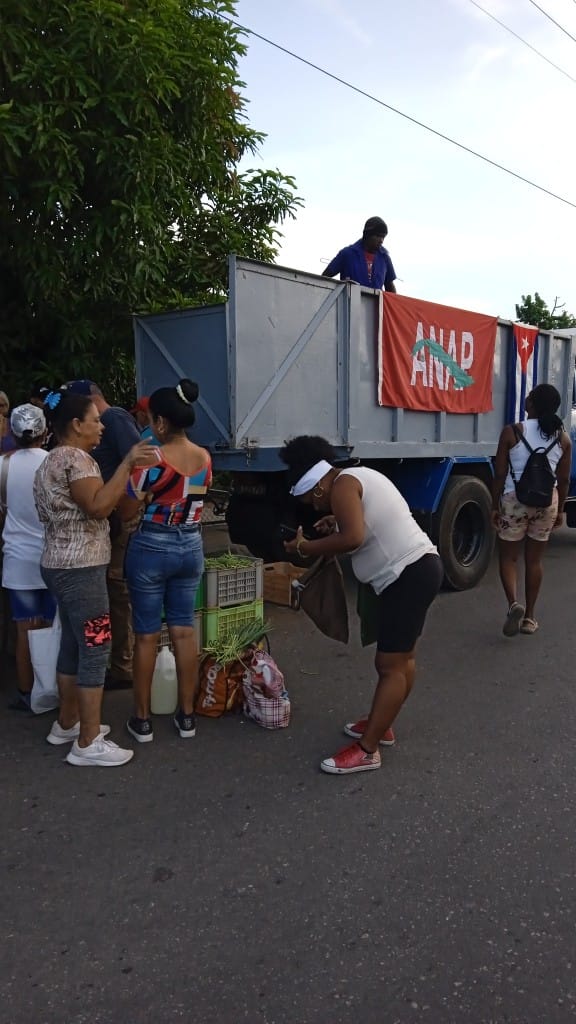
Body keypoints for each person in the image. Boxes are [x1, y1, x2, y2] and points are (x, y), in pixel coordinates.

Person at [281, 435, 443, 776]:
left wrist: (306, 548)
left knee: (390, 665)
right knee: (401, 659)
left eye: (310, 498)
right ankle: (381, 723)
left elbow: (353, 538)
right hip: (418, 570)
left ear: (317, 486)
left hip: (408, 575)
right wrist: (335, 524)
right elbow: (364, 526)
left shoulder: (341, 487)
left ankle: (368, 750)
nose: (313, 506)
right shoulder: (356, 478)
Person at [34, 388, 158, 766]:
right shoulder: (78, 461)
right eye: (95, 420)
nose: (101, 427)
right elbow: (100, 507)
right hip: (81, 570)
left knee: (73, 643)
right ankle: (88, 741)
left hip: (59, 564)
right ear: (76, 425)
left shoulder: (52, 459)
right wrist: (127, 464)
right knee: (96, 646)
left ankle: (68, 722)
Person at [123, 378, 210, 744]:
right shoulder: (205, 457)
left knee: (145, 636)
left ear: (159, 422)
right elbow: (193, 499)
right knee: (184, 630)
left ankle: (142, 721)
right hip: (191, 546)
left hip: (152, 547)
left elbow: (127, 508)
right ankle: (187, 715)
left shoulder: (151, 460)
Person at [64, 380, 142, 687]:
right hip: (101, 527)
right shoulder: (69, 458)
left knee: (116, 592)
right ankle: (110, 665)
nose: (96, 427)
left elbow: (139, 464)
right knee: (108, 595)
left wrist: (126, 510)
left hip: (116, 520)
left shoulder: (115, 419)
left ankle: (121, 667)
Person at [492, 383, 571, 637]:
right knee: (534, 560)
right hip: (547, 502)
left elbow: (500, 473)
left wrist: (495, 505)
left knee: (508, 557)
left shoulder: (511, 432)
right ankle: (529, 618)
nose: (525, 399)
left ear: (532, 405)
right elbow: (565, 478)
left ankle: (513, 604)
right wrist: (560, 511)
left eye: (529, 397)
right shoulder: (563, 438)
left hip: (514, 500)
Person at [1, 405, 56, 708]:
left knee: (25, 629)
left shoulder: (3, 466)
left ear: (12, 432)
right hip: (53, 557)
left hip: (17, 560)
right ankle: (53, 691)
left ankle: (27, 694)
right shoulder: (55, 462)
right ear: (45, 431)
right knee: (51, 627)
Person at [322, 216, 397, 292]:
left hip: (376, 303)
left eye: (383, 237)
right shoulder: (347, 254)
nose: (381, 240)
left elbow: (390, 286)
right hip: (348, 302)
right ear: (367, 235)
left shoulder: (385, 258)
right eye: (378, 236)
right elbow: (324, 278)